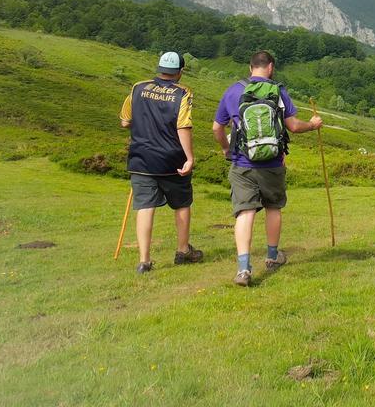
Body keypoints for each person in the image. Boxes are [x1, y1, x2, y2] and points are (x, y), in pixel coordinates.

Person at [212, 50, 322, 287]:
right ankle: (272, 257)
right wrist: (313, 125)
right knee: (273, 208)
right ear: (270, 67)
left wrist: (226, 149)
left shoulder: (233, 91)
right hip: (272, 163)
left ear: (250, 67)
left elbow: (216, 128)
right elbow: (293, 126)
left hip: (242, 163)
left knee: (245, 212)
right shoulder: (278, 91)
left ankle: (243, 269)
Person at [119, 52, 203, 274]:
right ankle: (183, 250)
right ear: (180, 71)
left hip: (140, 159)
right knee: (182, 203)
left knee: (145, 207)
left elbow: (125, 121)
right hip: (171, 159)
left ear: (159, 68)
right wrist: (190, 158)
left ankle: (144, 261)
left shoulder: (138, 87)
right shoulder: (183, 93)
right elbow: (183, 126)